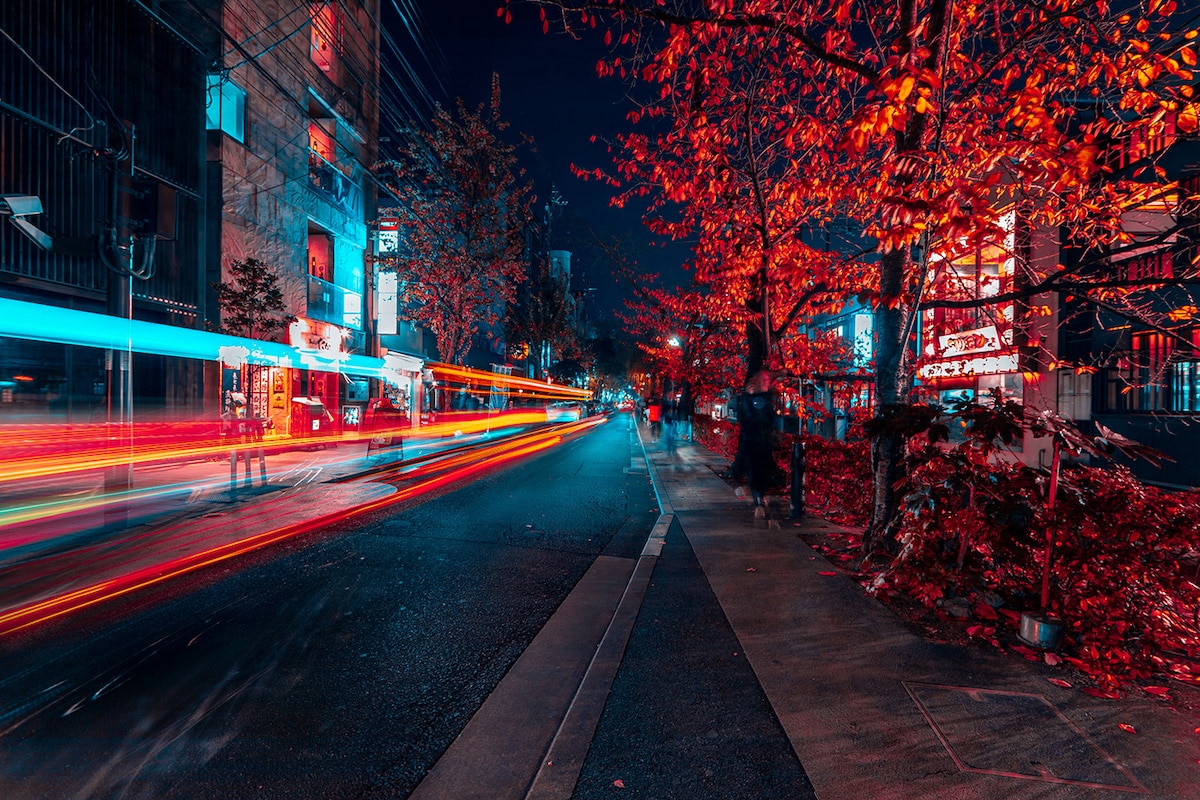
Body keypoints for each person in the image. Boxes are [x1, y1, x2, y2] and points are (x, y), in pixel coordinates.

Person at [736, 369, 777, 518]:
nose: (767, 383)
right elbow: (757, 418)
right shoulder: (755, 398)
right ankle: (758, 500)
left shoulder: (764, 397)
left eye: (768, 380)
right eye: (764, 380)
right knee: (757, 471)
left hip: (763, 442)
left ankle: (757, 496)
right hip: (755, 442)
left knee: (762, 472)